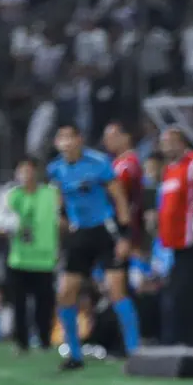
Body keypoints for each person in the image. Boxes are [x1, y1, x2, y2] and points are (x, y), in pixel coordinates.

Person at [47, 124, 140, 369]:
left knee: (116, 290)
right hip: (79, 234)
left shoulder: (98, 163)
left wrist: (124, 236)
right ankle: (74, 355)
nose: (65, 142)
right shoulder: (55, 169)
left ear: (79, 139)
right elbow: (61, 205)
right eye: (61, 137)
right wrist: (62, 232)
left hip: (105, 231)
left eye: (70, 136)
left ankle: (135, 351)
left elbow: (119, 198)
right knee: (66, 293)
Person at [0, 157, 60, 353]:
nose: (26, 175)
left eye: (29, 171)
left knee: (44, 305)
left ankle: (45, 341)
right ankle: (22, 343)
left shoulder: (51, 194)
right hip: (19, 259)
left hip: (45, 259)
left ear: (36, 172)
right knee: (19, 304)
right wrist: (10, 226)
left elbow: (61, 219)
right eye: (22, 171)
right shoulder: (11, 195)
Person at [156, 128, 193, 346]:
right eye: (164, 142)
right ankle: (174, 339)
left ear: (182, 142)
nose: (166, 146)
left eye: (171, 141)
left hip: (192, 239)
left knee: (188, 291)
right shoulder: (170, 169)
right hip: (172, 242)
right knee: (174, 291)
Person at [103, 121, 145, 250]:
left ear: (126, 137)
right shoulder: (116, 162)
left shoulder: (128, 165)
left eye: (112, 136)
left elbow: (119, 196)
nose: (106, 141)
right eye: (106, 137)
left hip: (127, 228)